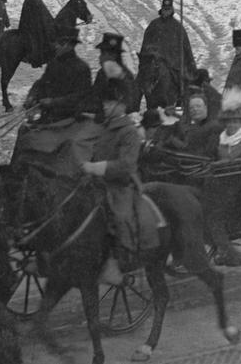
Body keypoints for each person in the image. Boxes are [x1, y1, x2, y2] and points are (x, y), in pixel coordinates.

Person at [80, 78, 157, 286]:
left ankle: (118, 260)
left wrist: (98, 168)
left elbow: (126, 166)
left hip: (121, 185)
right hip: (97, 183)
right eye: (104, 102)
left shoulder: (129, 132)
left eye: (109, 102)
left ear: (121, 105)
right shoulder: (103, 128)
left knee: (119, 216)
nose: (105, 105)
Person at [23, 27, 96, 123]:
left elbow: (80, 96)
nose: (56, 46)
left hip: (70, 116)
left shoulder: (81, 68)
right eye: (57, 43)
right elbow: (42, 82)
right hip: (49, 112)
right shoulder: (54, 63)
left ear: (70, 46)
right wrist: (32, 95)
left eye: (60, 44)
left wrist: (53, 102)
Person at [137, 0, 197, 86]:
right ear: (162, 9)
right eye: (165, 9)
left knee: (183, 85)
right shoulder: (154, 25)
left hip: (173, 65)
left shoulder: (178, 27)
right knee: (140, 82)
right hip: (154, 62)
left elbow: (186, 48)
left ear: (172, 9)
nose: (166, 11)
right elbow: (145, 44)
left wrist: (192, 68)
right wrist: (143, 62)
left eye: (168, 9)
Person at [92, 32, 138, 113]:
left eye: (103, 54)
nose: (100, 57)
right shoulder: (102, 73)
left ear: (113, 55)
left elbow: (128, 105)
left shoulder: (124, 76)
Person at [18, 0, 53, 68]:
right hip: (33, 29)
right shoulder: (36, 0)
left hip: (28, 27)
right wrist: (52, 22)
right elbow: (45, 15)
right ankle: (40, 59)